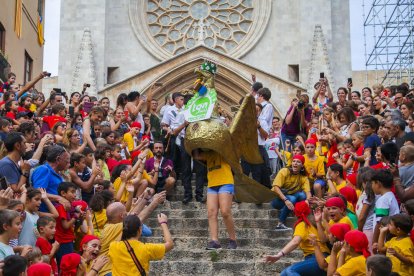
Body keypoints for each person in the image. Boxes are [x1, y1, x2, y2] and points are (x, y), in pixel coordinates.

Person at [98, 192, 166, 275]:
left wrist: (145, 199)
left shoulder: (109, 226)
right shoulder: (115, 228)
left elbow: (132, 216)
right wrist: (155, 202)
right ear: (122, 216)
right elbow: (137, 220)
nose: (128, 213)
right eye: (126, 212)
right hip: (108, 271)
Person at [263, 201, 330, 275]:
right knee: (284, 274)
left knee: (290, 271)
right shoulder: (314, 223)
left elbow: (295, 242)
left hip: (318, 258)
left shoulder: (303, 224)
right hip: (317, 258)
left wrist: (278, 255)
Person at [192, 149, 237, 249]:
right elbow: (197, 156)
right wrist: (194, 145)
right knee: (211, 212)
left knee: (225, 211)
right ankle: (214, 241)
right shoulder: (207, 153)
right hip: (212, 183)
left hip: (226, 181)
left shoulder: (225, 148)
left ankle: (233, 239)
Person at [108, 214, 173, 275]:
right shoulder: (146, 249)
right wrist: (163, 223)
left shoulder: (113, 246)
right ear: (139, 229)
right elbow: (170, 244)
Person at [271, 154, 310, 230]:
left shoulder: (303, 177)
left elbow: (308, 192)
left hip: (290, 197)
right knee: (292, 199)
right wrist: (286, 200)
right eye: (294, 161)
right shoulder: (284, 171)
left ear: (302, 166)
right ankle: (280, 223)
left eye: (298, 162)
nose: (295, 163)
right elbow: (276, 187)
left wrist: (307, 200)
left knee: (302, 195)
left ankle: (300, 216)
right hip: (277, 199)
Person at [32, 145, 71, 212]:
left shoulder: (58, 173)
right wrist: (58, 198)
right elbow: (38, 192)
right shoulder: (43, 169)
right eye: (66, 161)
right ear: (58, 159)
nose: (69, 164)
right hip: (46, 215)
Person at [371, 169, 400, 246]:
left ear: (378, 184)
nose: (372, 186)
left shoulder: (383, 200)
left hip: (383, 240)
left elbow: (380, 222)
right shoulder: (390, 196)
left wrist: (374, 242)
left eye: (372, 183)